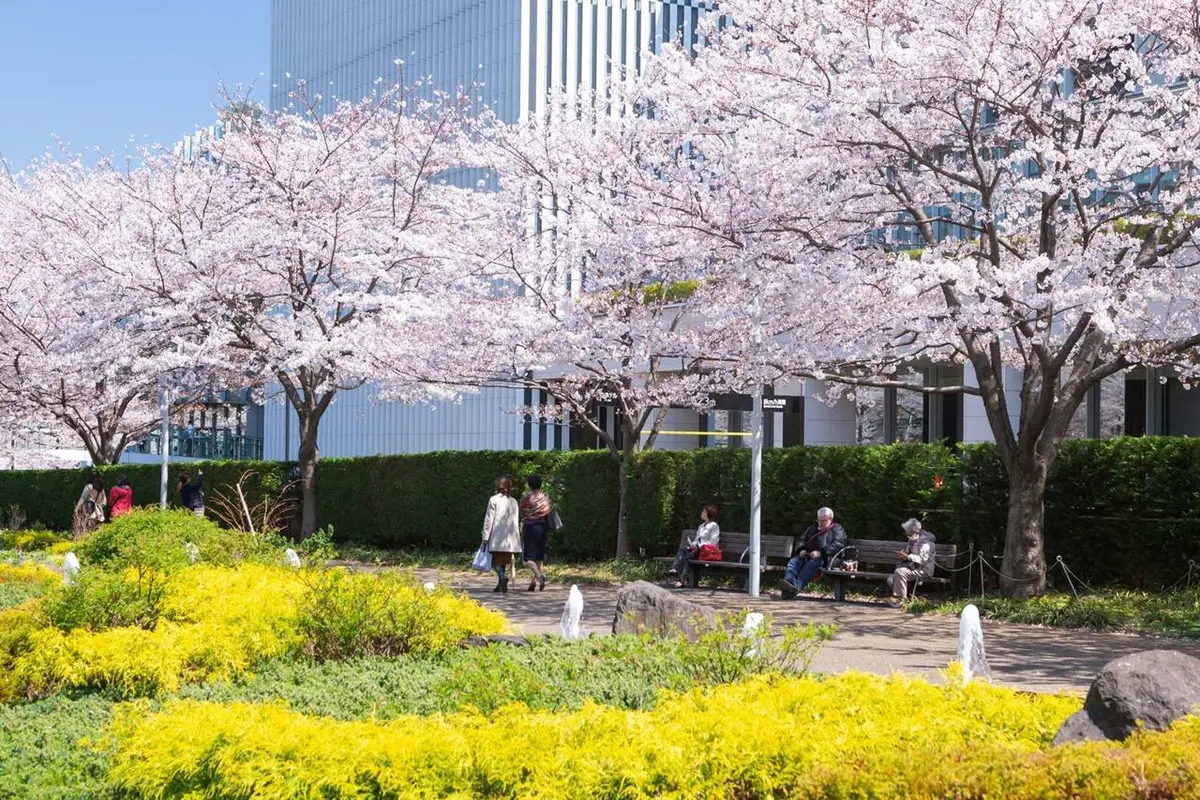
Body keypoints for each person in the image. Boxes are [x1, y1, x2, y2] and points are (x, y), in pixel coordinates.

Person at [779, 506, 846, 599]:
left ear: (830, 519)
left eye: (824, 520)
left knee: (813, 564)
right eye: (819, 520)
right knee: (794, 561)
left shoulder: (837, 529)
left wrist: (821, 553)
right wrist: (801, 549)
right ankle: (789, 583)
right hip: (808, 555)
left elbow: (838, 545)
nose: (821, 523)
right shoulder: (812, 528)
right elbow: (802, 540)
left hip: (828, 559)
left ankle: (794, 589)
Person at [481, 475, 521, 593]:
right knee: (503, 560)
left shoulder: (494, 499)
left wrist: (485, 536)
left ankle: (502, 578)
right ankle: (500, 584)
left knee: (495, 560)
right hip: (511, 537)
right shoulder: (513, 501)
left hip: (497, 535)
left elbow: (489, 519)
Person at [666, 504, 720, 589]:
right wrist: (692, 544)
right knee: (682, 550)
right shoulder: (701, 526)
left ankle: (681, 580)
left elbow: (713, 542)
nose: (702, 513)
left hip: (706, 552)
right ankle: (675, 569)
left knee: (687, 556)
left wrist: (700, 545)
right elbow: (697, 539)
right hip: (696, 550)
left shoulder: (714, 526)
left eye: (704, 512)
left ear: (709, 514)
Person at [887, 518, 937, 607]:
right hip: (913, 568)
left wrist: (908, 556)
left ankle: (901, 599)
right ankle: (907, 597)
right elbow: (910, 552)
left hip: (924, 570)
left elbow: (923, 560)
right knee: (891, 579)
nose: (907, 535)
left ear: (915, 531)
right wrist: (905, 553)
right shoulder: (912, 540)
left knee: (900, 572)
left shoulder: (926, 543)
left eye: (908, 533)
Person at [519, 474, 554, 592]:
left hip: (530, 527)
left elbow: (522, 513)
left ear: (529, 485)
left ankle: (539, 577)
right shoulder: (545, 498)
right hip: (542, 527)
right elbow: (549, 511)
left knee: (526, 560)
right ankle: (533, 582)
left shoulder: (525, 499)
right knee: (538, 556)